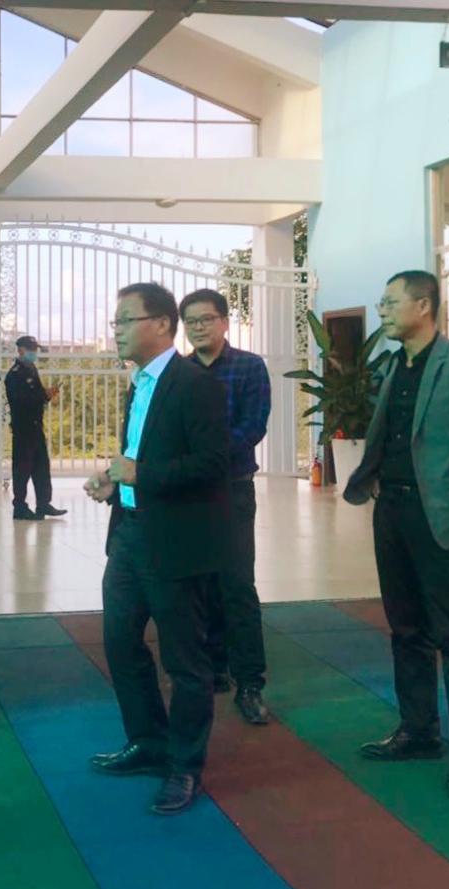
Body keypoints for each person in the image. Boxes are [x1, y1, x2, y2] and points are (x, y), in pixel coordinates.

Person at [345, 270, 449, 799]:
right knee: (406, 629)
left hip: (442, 519)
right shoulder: (393, 365)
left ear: (424, 305)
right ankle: (418, 732)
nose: (382, 310)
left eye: (391, 302)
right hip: (392, 512)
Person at [83, 283, 230, 815]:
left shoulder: (195, 384)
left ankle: (185, 765)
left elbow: (213, 464)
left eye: (126, 320)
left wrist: (141, 474)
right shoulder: (140, 383)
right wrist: (116, 484)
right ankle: (148, 740)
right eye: (116, 322)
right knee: (119, 640)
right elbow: (139, 454)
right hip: (130, 534)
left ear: (163, 324)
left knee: (185, 660)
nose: (117, 331)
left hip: (175, 542)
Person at [181, 288, 272, 725]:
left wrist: (206, 456)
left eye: (206, 319)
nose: (198, 327)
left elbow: (253, 426)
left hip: (232, 489)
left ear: (224, 322)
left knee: (237, 585)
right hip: (189, 494)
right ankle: (212, 668)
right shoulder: (178, 372)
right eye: (191, 322)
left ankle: (250, 682)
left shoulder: (249, 367)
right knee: (199, 584)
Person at [5, 336, 66, 521]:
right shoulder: (14, 375)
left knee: (41, 467)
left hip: (36, 427)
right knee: (22, 469)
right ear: (21, 350)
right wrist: (42, 396)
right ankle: (20, 507)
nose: (34, 353)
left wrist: (47, 394)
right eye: (31, 349)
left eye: (35, 349)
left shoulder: (31, 369)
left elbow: (37, 395)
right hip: (23, 429)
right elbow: (21, 401)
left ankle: (43, 503)